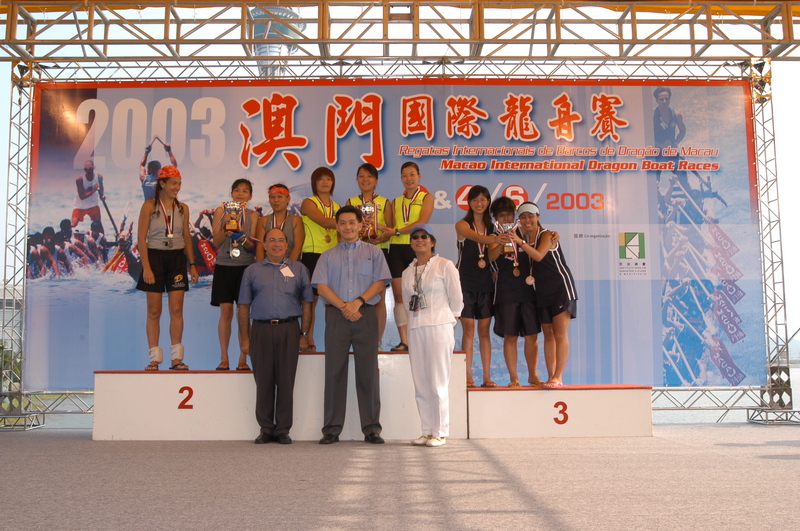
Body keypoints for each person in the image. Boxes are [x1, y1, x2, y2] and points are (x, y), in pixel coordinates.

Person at [312, 205, 391, 445]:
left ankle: (372, 429)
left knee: (368, 372)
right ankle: (331, 429)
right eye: (343, 223)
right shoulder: (327, 256)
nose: (347, 227)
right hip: (337, 316)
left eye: (352, 222)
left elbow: (380, 282)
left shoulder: (374, 253)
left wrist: (357, 303)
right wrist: (344, 306)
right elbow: (321, 287)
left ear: (360, 225)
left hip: (365, 314)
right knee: (334, 372)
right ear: (337, 227)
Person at [239, 228, 314, 445]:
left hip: (289, 329)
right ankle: (265, 428)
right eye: (271, 240)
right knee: (263, 381)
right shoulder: (252, 271)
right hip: (260, 330)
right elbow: (243, 307)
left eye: (281, 240)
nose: (276, 244)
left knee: (286, 381)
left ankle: (282, 429)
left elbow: (307, 304)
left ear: (287, 245)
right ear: (264, 244)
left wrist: (304, 334)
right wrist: (245, 339)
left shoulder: (299, 269)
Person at [402, 223, 463, 447]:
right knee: (421, 381)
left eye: (424, 236)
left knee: (438, 381)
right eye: (415, 237)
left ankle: (440, 431)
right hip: (416, 327)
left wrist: (449, 319)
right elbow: (406, 303)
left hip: (439, 325)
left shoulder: (444, 265)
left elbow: (457, 298)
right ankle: (427, 430)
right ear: (411, 243)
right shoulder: (407, 272)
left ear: (432, 241)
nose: (420, 240)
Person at [136, 165, 199, 371]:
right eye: (173, 183)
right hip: (154, 258)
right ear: (161, 184)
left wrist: (192, 264)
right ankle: (154, 359)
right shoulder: (149, 206)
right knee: (154, 311)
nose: (177, 187)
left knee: (177, 310)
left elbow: (187, 238)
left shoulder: (183, 208)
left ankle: (176, 359)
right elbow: (141, 239)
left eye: (179, 184)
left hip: (177, 259)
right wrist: (146, 267)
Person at [511, 202, 577, 388]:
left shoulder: (547, 234)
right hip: (542, 291)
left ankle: (558, 376)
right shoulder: (524, 237)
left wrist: (520, 242)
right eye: (523, 217)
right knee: (548, 334)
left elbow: (539, 256)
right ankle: (551, 377)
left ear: (538, 217)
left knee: (560, 333)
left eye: (531, 216)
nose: (527, 220)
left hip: (561, 288)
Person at [487, 196, 540, 387]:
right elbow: (491, 256)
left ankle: (533, 375)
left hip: (527, 290)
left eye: (508, 214)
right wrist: (500, 242)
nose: (506, 218)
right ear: (495, 218)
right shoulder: (494, 235)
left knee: (532, 335)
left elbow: (540, 240)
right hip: (506, 292)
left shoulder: (523, 231)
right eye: (501, 215)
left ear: (514, 215)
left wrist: (554, 235)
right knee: (510, 336)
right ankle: (514, 378)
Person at [210, 179, 259, 371]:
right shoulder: (221, 211)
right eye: (237, 190)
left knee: (243, 314)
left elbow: (252, 246)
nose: (240, 193)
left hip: (245, 267)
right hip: (224, 265)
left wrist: (241, 235)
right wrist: (227, 228)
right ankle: (224, 357)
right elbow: (216, 242)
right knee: (226, 312)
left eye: (245, 191)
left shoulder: (253, 215)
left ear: (250, 196)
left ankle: (243, 357)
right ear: (231, 194)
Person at [346, 163, 394, 348]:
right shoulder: (350, 202)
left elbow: (391, 230)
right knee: (356, 294)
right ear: (357, 179)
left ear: (376, 180)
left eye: (369, 176)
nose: (365, 179)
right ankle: (356, 339)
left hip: (379, 251)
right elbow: (345, 228)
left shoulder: (385, 202)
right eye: (361, 176)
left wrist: (378, 236)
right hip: (355, 252)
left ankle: (378, 340)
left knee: (379, 297)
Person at [455, 185, 498, 387]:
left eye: (483, 199)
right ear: (469, 203)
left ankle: (487, 377)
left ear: (488, 202)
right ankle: (467, 376)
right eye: (475, 200)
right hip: (465, 283)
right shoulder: (462, 225)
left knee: (484, 332)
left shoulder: (494, 228)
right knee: (468, 331)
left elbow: (492, 255)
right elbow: (477, 238)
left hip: (486, 283)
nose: (479, 203)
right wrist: (496, 238)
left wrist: (500, 242)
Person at [388, 162, 434, 351]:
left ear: (419, 176)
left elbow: (422, 222)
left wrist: (397, 231)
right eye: (405, 175)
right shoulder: (395, 202)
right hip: (397, 249)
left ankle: (423, 337)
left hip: (418, 247)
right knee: (399, 296)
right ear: (401, 178)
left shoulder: (427, 197)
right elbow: (390, 227)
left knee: (423, 292)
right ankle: (405, 341)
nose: (409, 178)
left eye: (412, 174)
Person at [300, 167, 341, 352]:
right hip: (312, 254)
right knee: (311, 301)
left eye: (328, 179)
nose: (325, 182)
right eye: (321, 179)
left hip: (333, 256)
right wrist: (350, 223)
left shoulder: (338, 207)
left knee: (332, 302)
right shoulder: (309, 203)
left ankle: (332, 339)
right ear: (314, 183)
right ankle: (307, 338)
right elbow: (323, 221)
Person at [255, 183, 304, 262]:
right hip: (267, 265)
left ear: (288, 199)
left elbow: (298, 247)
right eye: (272, 197)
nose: (276, 200)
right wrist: (260, 267)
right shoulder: (263, 221)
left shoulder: (296, 220)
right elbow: (260, 247)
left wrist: (288, 266)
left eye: (280, 196)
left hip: (290, 265)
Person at [72, 159, 105, 233]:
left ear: (94, 168)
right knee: (73, 225)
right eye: (86, 169)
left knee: (99, 225)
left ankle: (102, 238)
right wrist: (94, 190)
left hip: (93, 205)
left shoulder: (99, 177)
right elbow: (82, 197)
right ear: (84, 170)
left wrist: (102, 195)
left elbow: (101, 189)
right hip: (80, 205)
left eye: (90, 169)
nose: (88, 171)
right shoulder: (80, 179)